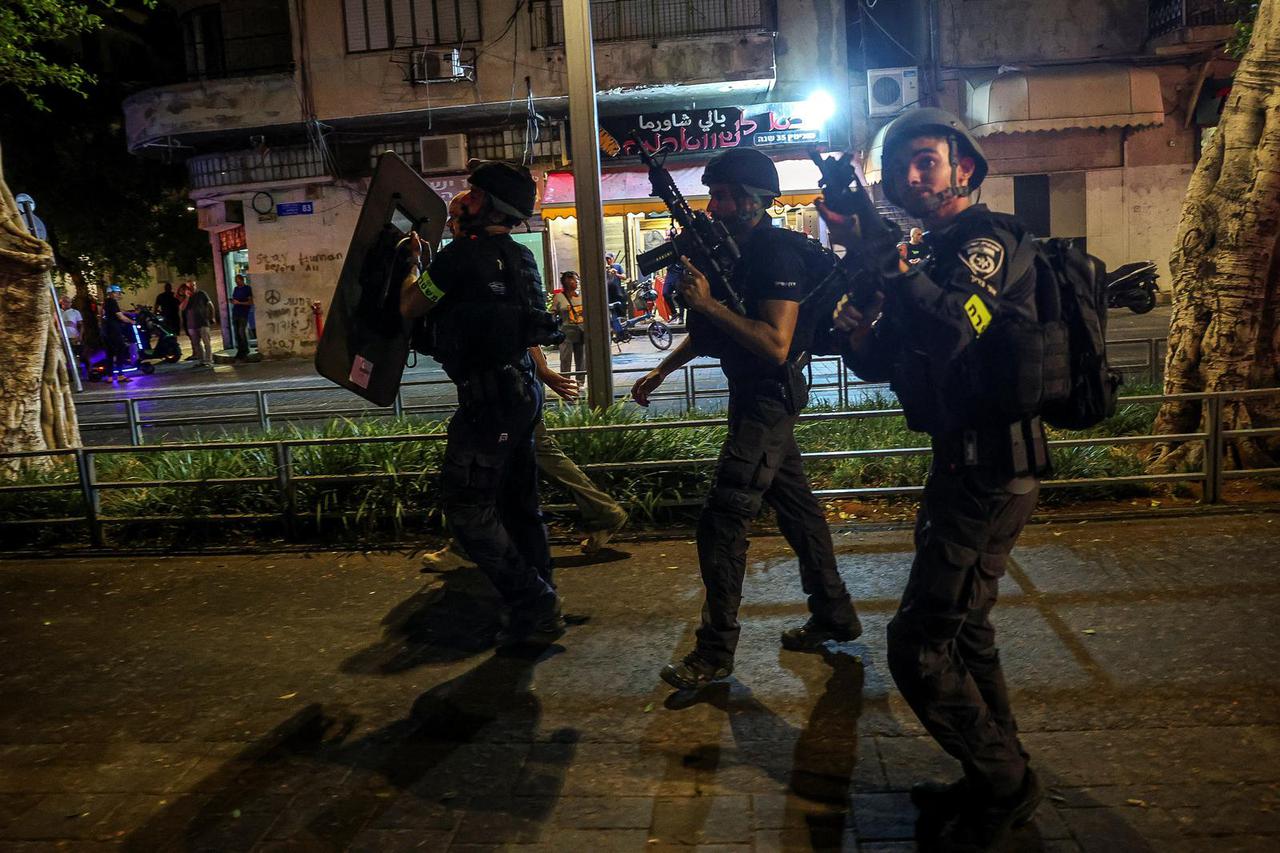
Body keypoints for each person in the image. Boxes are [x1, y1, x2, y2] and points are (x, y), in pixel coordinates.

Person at [820, 108, 1047, 851]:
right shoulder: (928, 252)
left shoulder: (989, 242)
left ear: (964, 170)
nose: (911, 175)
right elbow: (884, 357)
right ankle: (997, 776)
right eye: (901, 166)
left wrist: (894, 269)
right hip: (964, 461)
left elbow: (953, 327)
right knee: (966, 628)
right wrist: (859, 322)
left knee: (918, 645)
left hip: (993, 464)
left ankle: (1003, 779)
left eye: (926, 161)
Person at [630, 148, 862, 691]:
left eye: (724, 196)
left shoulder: (776, 255)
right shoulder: (735, 251)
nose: (714, 206)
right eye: (713, 195)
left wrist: (708, 305)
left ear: (755, 201)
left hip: (768, 399)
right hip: (750, 398)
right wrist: (664, 368)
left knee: (723, 520)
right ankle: (835, 612)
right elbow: (721, 327)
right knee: (797, 510)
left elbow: (776, 344)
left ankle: (714, 653)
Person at [400, 160, 566, 645]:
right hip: (523, 390)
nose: (463, 199)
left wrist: (410, 266)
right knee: (520, 505)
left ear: (489, 205)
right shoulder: (520, 256)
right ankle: (541, 607)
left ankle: (535, 603)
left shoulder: (458, 257)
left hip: (488, 400)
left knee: (467, 508)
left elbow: (412, 305)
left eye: (471, 194)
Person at [101, 284, 137, 384]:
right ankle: (120, 375)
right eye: (117, 293)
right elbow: (120, 316)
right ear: (112, 293)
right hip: (114, 331)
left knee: (109, 353)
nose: (118, 294)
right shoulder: (112, 301)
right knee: (120, 350)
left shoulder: (106, 303)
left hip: (106, 331)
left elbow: (116, 311)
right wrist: (131, 321)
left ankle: (109, 377)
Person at [551, 271, 585, 375]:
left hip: (581, 332)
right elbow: (553, 313)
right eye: (575, 280)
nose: (577, 282)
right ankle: (566, 380)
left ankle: (580, 382)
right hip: (565, 334)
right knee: (565, 359)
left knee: (582, 359)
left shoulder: (582, 296)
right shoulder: (559, 297)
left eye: (577, 280)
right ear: (568, 282)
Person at [180, 280, 215, 367]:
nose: (192, 288)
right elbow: (182, 308)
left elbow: (210, 305)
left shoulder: (202, 294)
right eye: (190, 286)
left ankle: (209, 360)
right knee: (196, 344)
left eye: (193, 285)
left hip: (203, 322)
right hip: (192, 324)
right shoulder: (185, 297)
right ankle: (202, 360)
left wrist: (212, 316)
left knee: (206, 342)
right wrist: (187, 297)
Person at [154, 281, 182, 358]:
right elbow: (156, 307)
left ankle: (172, 348)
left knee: (170, 334)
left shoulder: (170, 296)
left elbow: (156, 307)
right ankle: (168, 348)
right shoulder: (163, 296)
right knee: (167, 334)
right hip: (169, 318)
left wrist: (155, 314)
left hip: (171, 318)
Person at [230, 274, 254, 360]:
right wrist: (233, 301)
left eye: (238, 281)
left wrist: (239, 303)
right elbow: (235, 299)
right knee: (237, 332)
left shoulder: (247, 289)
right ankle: (240, 350)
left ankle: (245, 349)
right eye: (235, 281)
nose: (236, 282)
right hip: (236, 312)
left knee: (241, 331)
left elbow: (250, 302)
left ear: (242, 280)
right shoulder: (236, 289)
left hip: (243, 313)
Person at [59, 296, 83, 368]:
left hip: (73, 337)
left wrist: (80, 336)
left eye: (70, 302)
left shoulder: (75, 312)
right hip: (61, 337)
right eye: (66, 302)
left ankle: (77, 371)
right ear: (62, 303)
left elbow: (81, 325)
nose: (69, 303)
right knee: (62, 355)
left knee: (74, 354)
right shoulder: (58, 312)